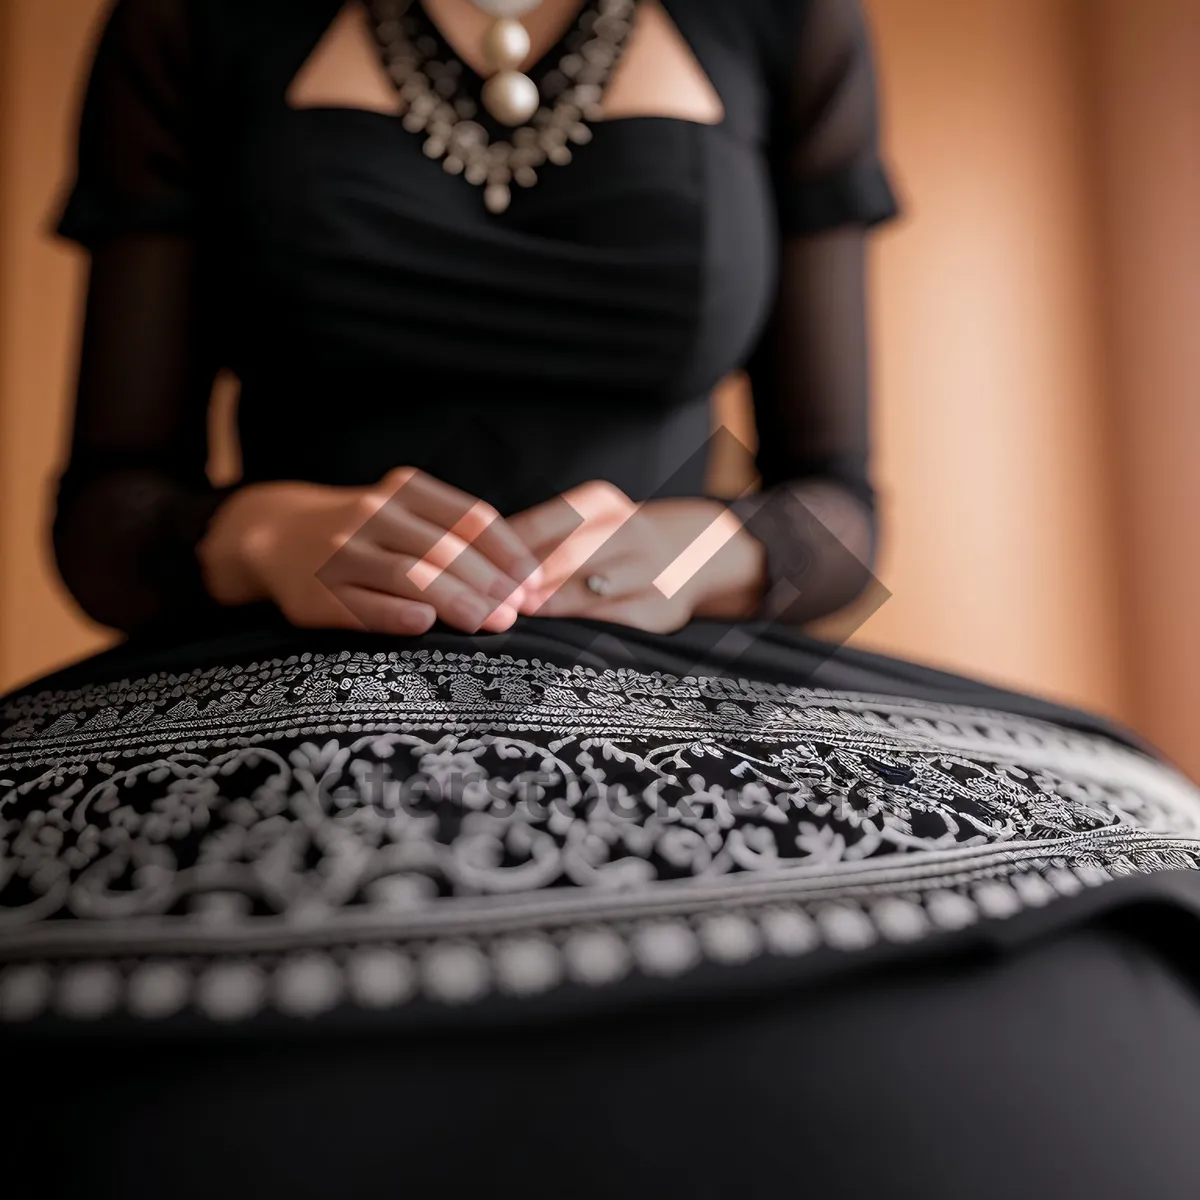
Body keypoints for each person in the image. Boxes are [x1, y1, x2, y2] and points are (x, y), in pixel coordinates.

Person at [4, 0, 1200, 1195]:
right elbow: (106, 520)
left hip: (698, 665)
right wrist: (263, 533)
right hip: (282, 663)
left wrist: (695, 555)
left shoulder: (792, 22)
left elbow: (838, 509)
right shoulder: (180, 23)